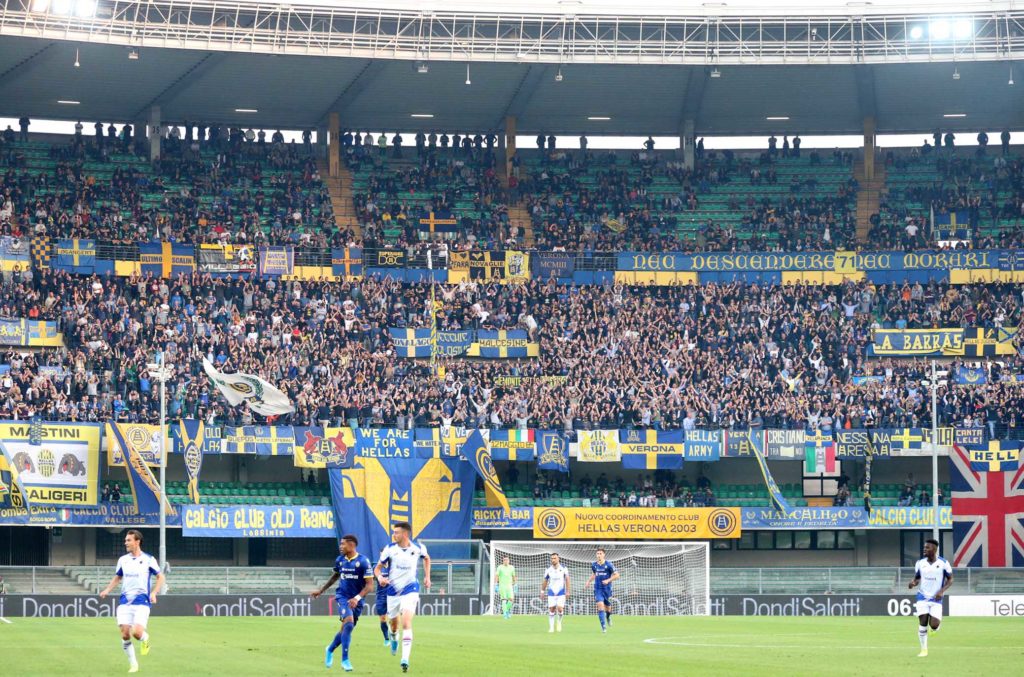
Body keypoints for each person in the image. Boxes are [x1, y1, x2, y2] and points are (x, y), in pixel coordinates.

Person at [99, 530, 165, 674]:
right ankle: (133, 664)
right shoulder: (123, 560)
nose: (125, 543)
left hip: (142, 602)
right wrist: (107, 590)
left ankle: (145, 638)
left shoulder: (149, 559)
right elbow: (118, 577)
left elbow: (161, 577)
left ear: (137, 541)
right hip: (125, 602)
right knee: (125, 634)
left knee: (137, 632)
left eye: (128, 540)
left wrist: (154, 592)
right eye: (125, 540)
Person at [374, 522, 431, 673]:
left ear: (405, 534)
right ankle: (393, 638)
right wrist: (380, 578)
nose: (394, 535)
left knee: (406, 622)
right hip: (392, 590)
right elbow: (377, 568)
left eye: (397, 532)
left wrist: (427, 577)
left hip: (410, 588)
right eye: (394, 532)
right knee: (394, 625)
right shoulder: (390, 549)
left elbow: (426, 558)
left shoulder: (418, 548)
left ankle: (405, 658)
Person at [311, 535, 373, 672]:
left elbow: (370, 586)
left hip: (357, 599)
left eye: (343, 544)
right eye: (340, 544)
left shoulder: (363, 561)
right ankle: (345, 660)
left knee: (346, 629)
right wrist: (321, 590)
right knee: (349, 622)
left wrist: (357, 598)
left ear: (352, 545)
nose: (340, 546)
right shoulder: (340, 560)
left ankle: (330, 649)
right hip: (343, 596)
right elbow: (335, 576)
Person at [908, 538, 953, 658]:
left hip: (936, 598)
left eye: (927, 547)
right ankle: (924, 650)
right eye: (924, 547)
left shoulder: (944, 563)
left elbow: (950, 580)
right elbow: (917, 578)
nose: (924, 549)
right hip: (922, 597)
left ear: (934, 549)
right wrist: (913, 583)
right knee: (922, 623)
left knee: (933, 625)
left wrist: (942, 591)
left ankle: (935, 627)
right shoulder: (920, 563)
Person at [586, 547, 619, 633]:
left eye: (600, 553)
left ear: (604, 555)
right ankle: (603, 627)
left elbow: (617, 575)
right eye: (598, 553)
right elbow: (594, 574)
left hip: (607, 589)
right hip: (598, 589)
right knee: (600, 606)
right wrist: (588, 581)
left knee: (608, 608)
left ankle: (608, 617)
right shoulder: (594, 565)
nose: (599, 555)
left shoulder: (609, 565)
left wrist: (608, 580)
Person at [541, 552, 569, 633]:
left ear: (558, 558)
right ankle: (551, 628)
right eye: (552, 558)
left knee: (560, 609)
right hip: (551, 592)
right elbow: (545, 580)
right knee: (552, 609)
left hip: (561, 591)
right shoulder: (548, 569)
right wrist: (542, 591)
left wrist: (568, 591)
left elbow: (567, 579)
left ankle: (559, 622)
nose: (553, 560)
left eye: (554, 558)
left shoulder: (564, 568)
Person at [494, 555, 517, 619]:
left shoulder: (512, 567)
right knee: (504, 600)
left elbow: (514, 576)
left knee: (511, 600)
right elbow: (497, 576)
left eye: (507, 560)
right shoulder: (500, 567)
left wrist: (515, 584)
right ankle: (505, 614)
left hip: (510, 586)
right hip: (502, 586)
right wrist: (495, 584)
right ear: (503, 561)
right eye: (504, 560)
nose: (506, 561)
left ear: (509, 560)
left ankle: (506, 611)